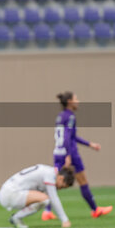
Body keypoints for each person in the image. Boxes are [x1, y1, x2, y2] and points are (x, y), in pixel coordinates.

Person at [42, 92, 112, 221]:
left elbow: (70, 136)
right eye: (76, 99)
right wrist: (69, 155)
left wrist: (90, 144)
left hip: (57, 152)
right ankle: (95, 210)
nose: (78, 101)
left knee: (54, 181)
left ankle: (46, 211)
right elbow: (68, 137)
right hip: (70, 153)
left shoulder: (60, 116)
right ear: (69, 102)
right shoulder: (70, 116)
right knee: (83, 181)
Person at [0, 164, 74, 228]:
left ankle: (16, 218)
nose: (60, 189)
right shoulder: (50, 174)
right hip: (10, 193)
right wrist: (65, 220)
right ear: (61, 178)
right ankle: (16, 218)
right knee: (45, 199)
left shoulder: (48, 171)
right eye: (62, 187)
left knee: (44, 199)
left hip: (7, 192)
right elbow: (53, 198)